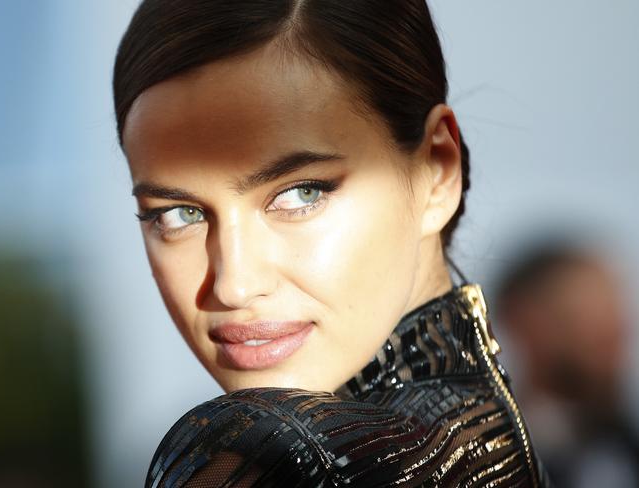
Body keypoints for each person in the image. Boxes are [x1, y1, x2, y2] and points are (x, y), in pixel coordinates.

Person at [112, 1, 551, 486]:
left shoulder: (268, 457)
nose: (234, 286)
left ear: (437, 172)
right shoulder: (496, 437)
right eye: (179, 214)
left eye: (302, 193)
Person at [494, 244, 639, 488]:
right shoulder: (481, 454)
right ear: (526, 322)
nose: (616, 335)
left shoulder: (624, 443)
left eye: (614, 314)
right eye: (591, 317)